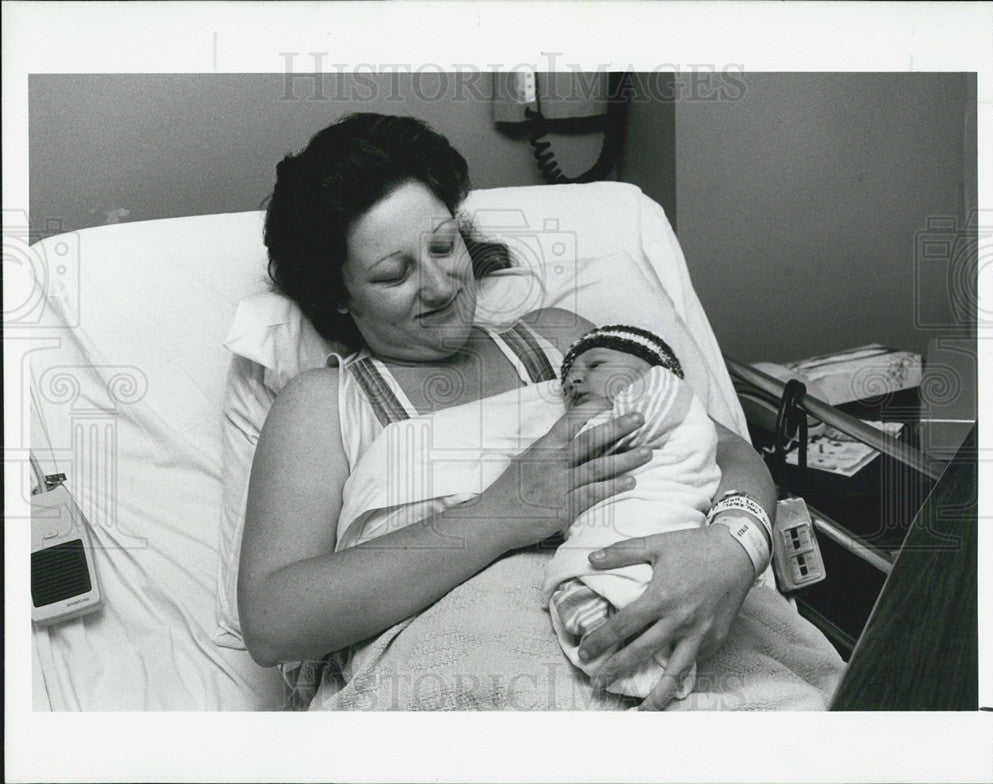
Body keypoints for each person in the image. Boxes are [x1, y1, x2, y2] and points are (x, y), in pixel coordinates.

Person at [237, 113, 778, 710]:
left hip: (666, 634)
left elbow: (717, 446)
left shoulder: (562, 346)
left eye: (445, 247)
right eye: (394, 274)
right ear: (338, 295)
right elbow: (273, 620)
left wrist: (736, 543)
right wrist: (504, 511)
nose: (441, 285)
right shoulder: (324, 405)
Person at [544, 324, 773, 702]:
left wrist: (741, 542)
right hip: (604, 523)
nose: (575, 381)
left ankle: (635, 640)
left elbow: (725, 447)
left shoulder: (662, 394)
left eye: (595, 365)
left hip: (664, 512)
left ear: (652, 371)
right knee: (589, 566)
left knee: (637, 574)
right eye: (568, 385)